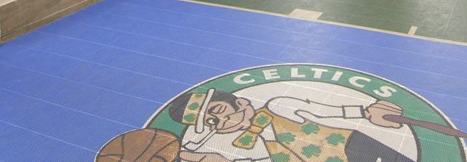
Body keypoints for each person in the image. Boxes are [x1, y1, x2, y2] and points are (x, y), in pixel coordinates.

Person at [167, 87, 418, 162]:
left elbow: (321, 111)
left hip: (353, 147)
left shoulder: (277, 105)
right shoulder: (244, 147)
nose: (222, 121)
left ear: (241, 102)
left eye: (219, 111)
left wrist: (364, 111)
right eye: (213, 122)